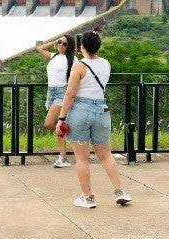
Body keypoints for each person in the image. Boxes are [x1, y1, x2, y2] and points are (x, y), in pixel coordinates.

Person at [56, 30, 131, 208]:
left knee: (82, 158)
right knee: (105, 155)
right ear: (98, 46)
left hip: (81, 112)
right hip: (101, 111)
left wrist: (61, 118)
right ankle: (120, 191)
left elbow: (71, 94)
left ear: (82, 47)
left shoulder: (79, 66)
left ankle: (87, 198)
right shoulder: (106, 64)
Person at [36, 34, 76, 168]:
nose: (61, 45)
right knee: (59, 125)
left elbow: (77, 78)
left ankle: (73, 133)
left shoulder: (73, 59)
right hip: (50, 92)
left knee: (49, 124)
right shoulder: (53, 56)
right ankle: (63, 157)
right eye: (60, 42)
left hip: (62, 92)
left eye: (64, 44)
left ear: (69, 46)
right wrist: (54, 41)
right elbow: (39, 48)